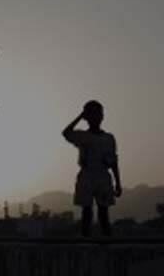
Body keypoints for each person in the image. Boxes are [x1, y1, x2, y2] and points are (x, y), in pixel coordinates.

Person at [62, 100, 122, 237]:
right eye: (92, 114)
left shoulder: (109, 138)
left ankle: (107, 242)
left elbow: (113, 161)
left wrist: (118, 183)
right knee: (86, 212)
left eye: (98, 114)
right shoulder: (82, 136)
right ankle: (85, 242)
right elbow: (66, 133)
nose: (95, 117)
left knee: (103, 212)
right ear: (87, 117)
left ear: (102, 116)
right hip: (86, 175)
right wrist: (80, 116)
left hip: (103, 175)